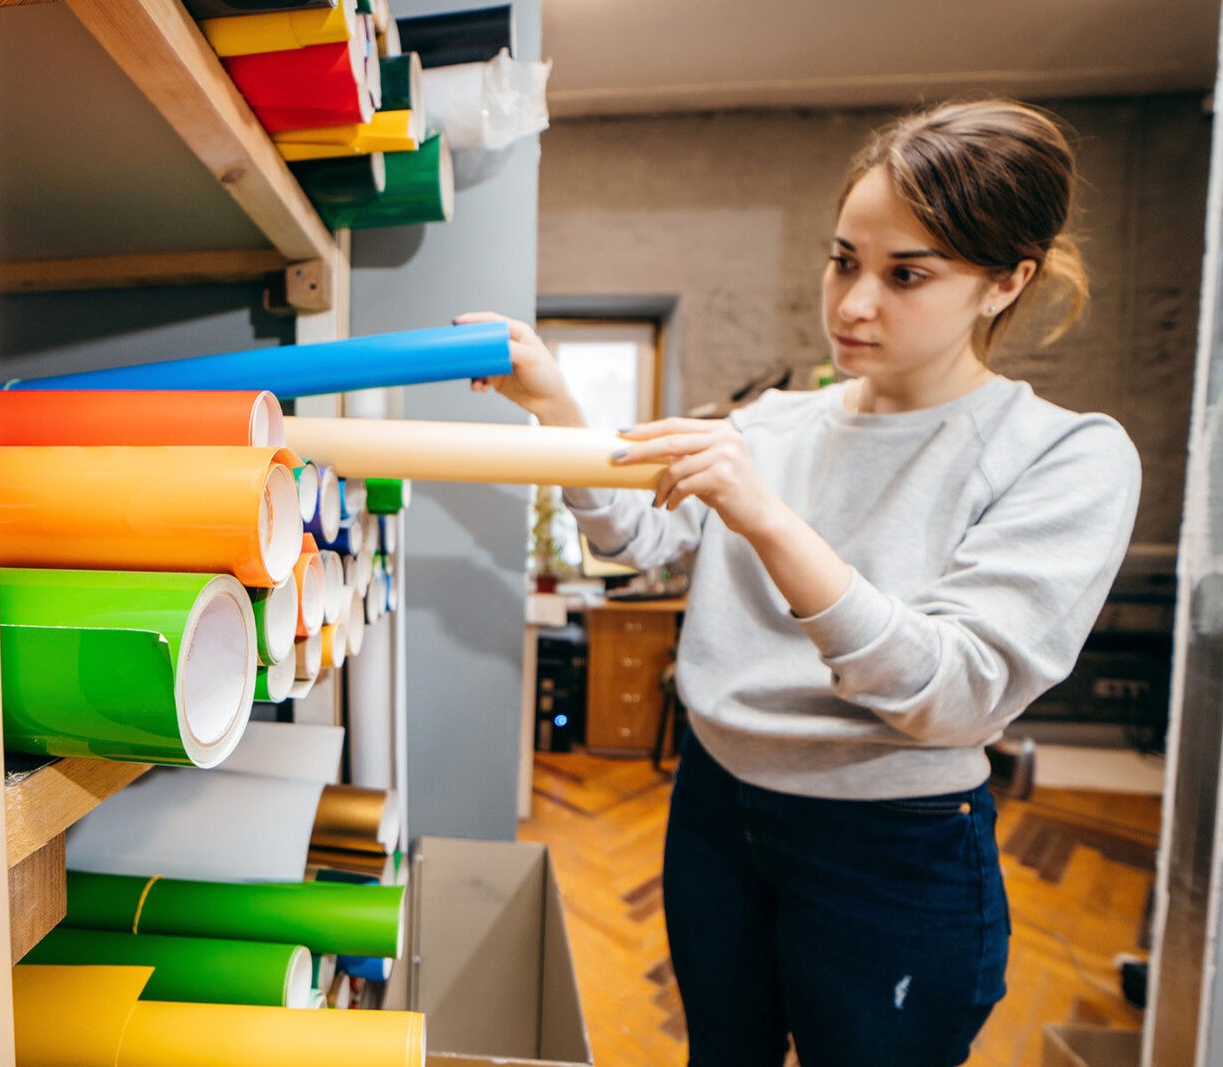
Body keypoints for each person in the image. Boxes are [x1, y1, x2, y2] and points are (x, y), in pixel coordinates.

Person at [460, 98, 1141, 1066]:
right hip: (716, 801)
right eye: (843, 260)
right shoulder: (773, 424)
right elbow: (641, 540)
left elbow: (954, 693)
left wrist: (772, 520)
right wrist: (558, 404)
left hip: (889, 840)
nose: (853, 304)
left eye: (907, 274)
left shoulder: (1064, 453)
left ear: (1004, 282)